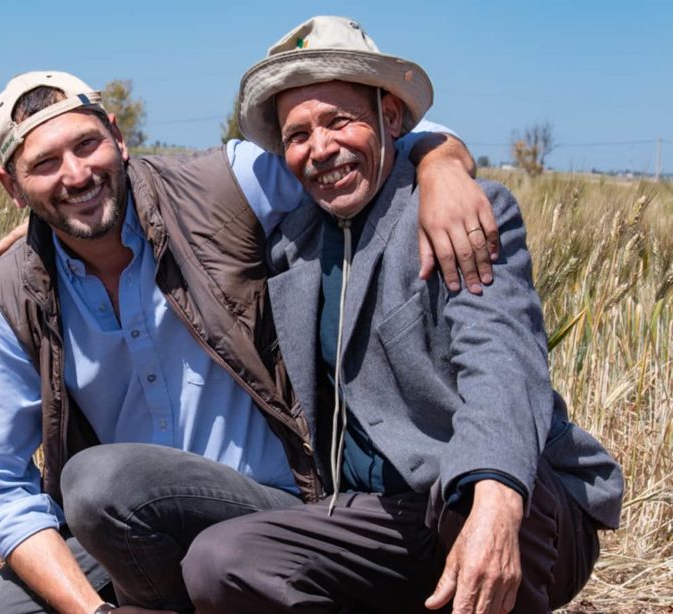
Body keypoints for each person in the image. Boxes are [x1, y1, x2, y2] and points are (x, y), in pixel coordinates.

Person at [0, 69, 491, 614]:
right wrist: (89, 612)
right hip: (124, 531)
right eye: (45, 165)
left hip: (269, 506)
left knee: (98, 482)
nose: (76, 174)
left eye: (86, 146)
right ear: (13, 187)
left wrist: (440, 164)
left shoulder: (219, 186)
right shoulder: (10, 291)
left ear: (117, 137)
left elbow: (364, 143)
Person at [181, 16, 624, 614]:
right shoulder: (290, 245)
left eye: (340, 121)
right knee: (220, 562)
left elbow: (501, 355)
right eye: (298, 134)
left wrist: (494, 499)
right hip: (381, 517)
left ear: (391, 118)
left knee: (483, 492)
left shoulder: (458, 213)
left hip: (506, 499)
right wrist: (32, 235)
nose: (321, 149)